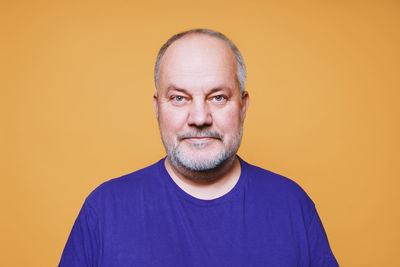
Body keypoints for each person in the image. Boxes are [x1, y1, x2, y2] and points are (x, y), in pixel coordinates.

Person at [59, 29, 339, 266]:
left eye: (218, 97)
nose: (200, 118)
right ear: (158, 108)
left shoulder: (292, 205)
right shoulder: (104, 210)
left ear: (243, 106)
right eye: (179, 98)